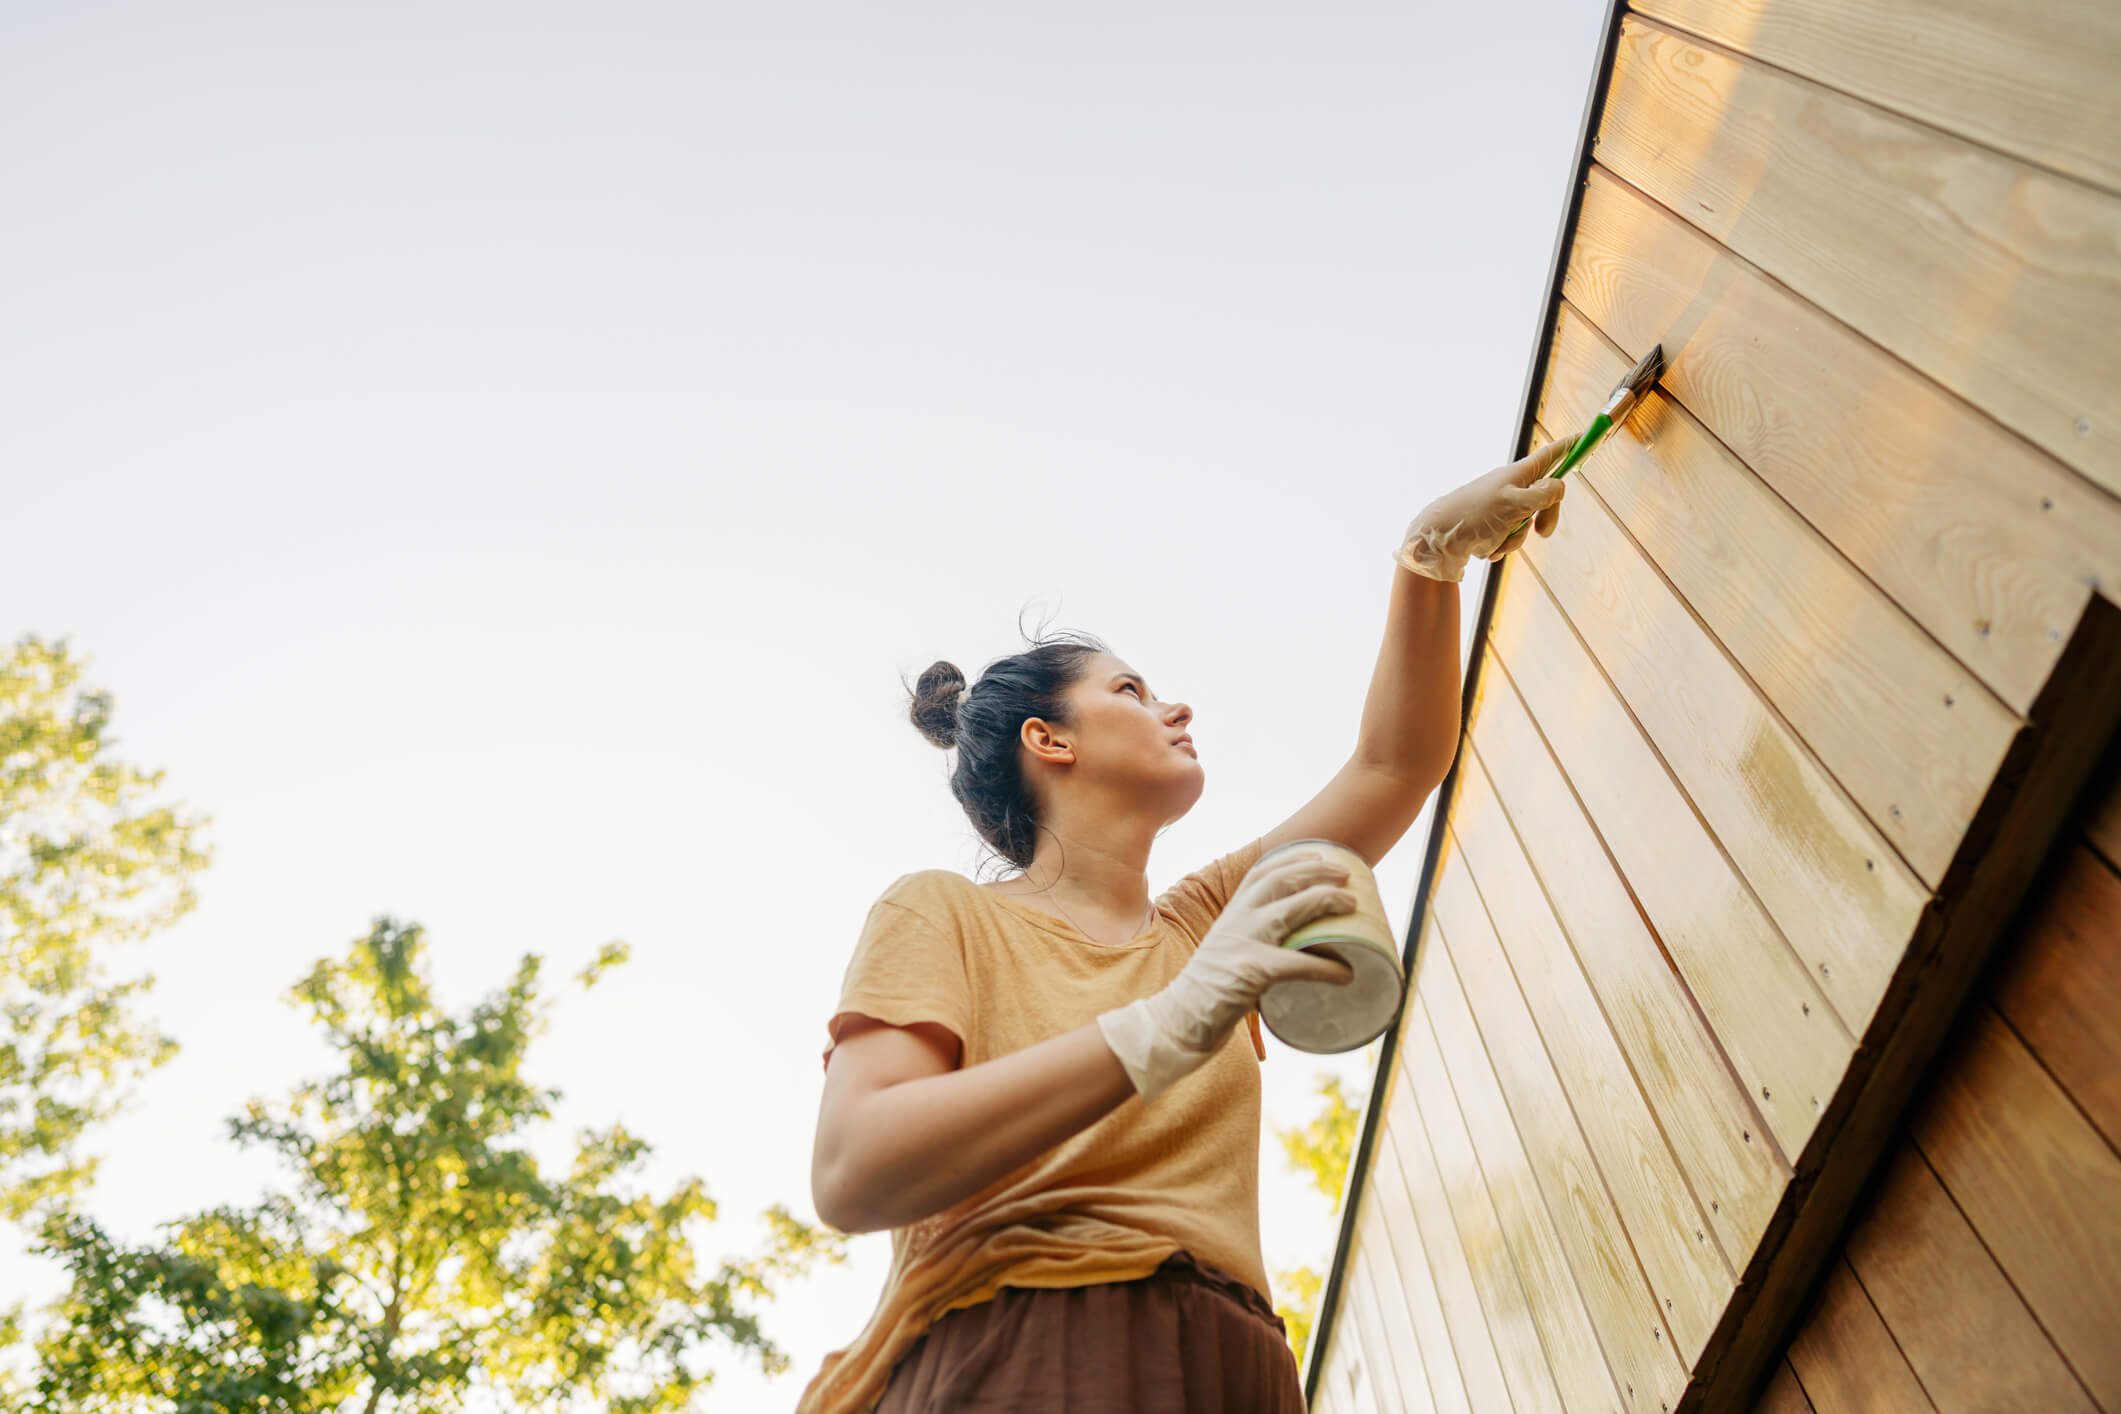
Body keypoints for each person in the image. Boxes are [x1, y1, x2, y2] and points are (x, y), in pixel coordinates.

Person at [798, 440, 1571, 1412]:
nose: (1175, 706)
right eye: (1130, 690)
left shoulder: (1210, 919)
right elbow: (854, 1166)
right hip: (1027, 1340)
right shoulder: (944, 912)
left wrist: (1428, 559)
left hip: (1238, 1363)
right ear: (1050, 739)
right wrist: (1166, 1025)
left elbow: (1394, 764)